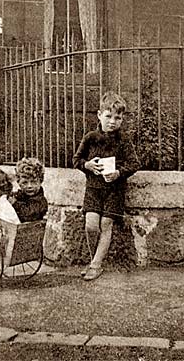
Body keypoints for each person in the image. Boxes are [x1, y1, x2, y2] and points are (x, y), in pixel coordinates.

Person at [72, 91, 139, 281]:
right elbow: (76, 159)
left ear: (122, 119)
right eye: (108, 116)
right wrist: (88, 165)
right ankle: (95, 258)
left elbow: (134, 163)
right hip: (93, 189)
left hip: (114, 191)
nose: (112, 121)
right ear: (99, 115)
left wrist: (118, 173)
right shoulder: (91, 137)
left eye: (117, 118)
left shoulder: (123, 140)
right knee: (91, 225)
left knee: (106, 224)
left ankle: (96, 264)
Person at [9, 157, 48, 223]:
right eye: (25, 182)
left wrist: (14, 203)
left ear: (40, 181)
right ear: (18, 182)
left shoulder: (40, 201)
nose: (29, 186)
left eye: (34, 182)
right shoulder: (20, 195)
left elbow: (28, 214)